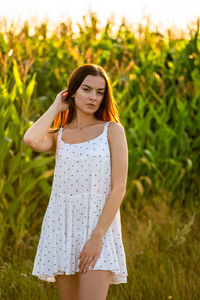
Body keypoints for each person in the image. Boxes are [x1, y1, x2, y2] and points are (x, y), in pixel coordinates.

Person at [23, 63, 128, 300]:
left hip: (97, 228)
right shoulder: (59, 135)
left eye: (100, 92)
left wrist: (97, 237)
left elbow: (119, 188)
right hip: (63, 226)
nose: (93, 97)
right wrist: (56, 106)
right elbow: (30, 139)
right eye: (86, 89)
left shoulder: (112, 130)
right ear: (72, 92)